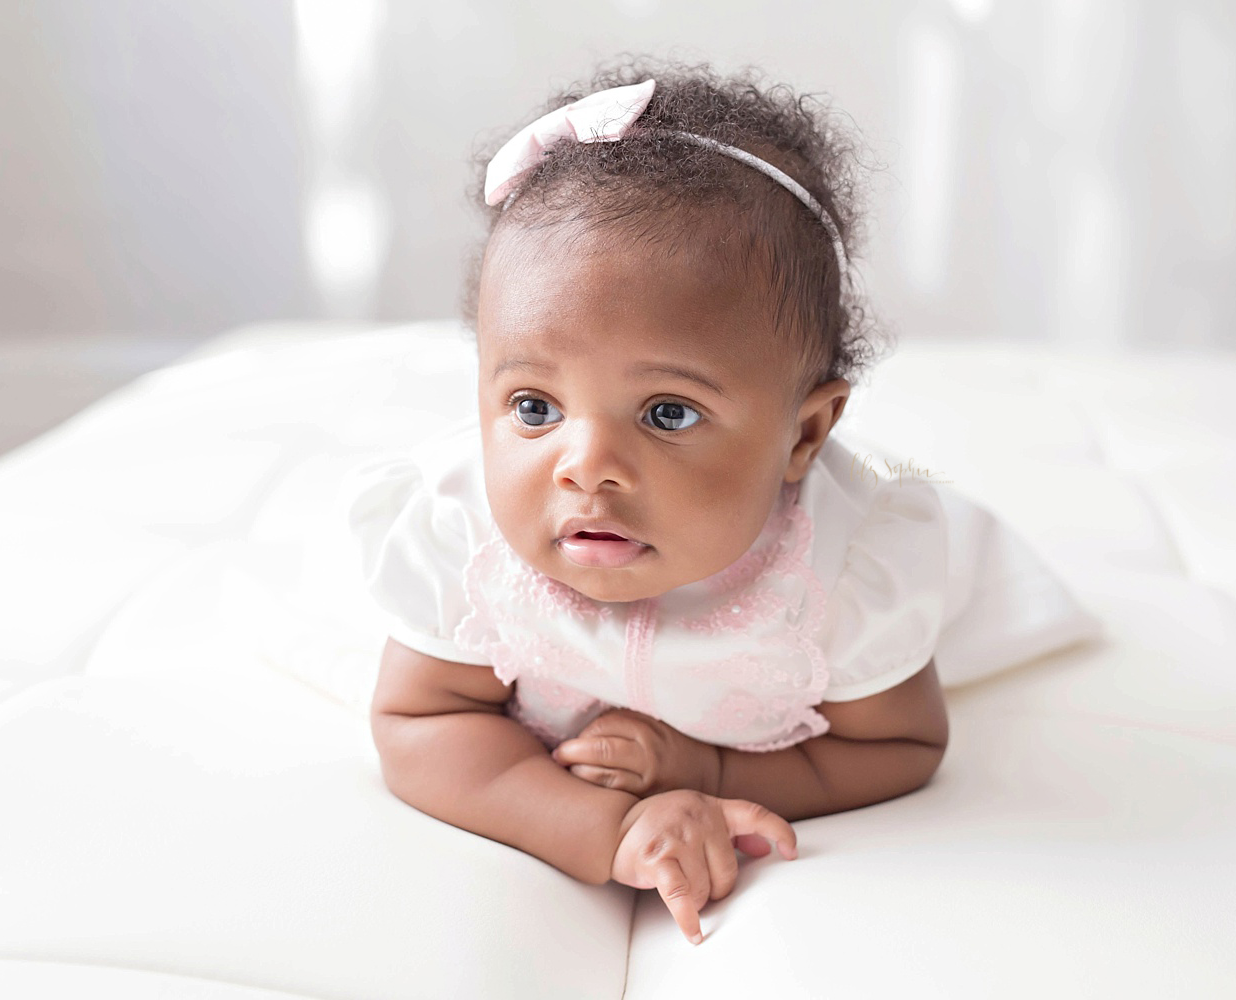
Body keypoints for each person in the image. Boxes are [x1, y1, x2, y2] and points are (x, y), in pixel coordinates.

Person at [349, 58, 953, 947]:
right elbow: (421, 720)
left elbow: (900, 747)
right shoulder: (467, 541)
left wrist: (708, 771)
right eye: (534, 408)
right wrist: (606, 829)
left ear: (803, 436)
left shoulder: (843, 573)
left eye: (668, 413)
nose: (583, 468)